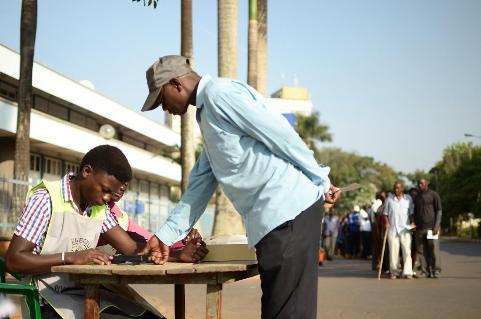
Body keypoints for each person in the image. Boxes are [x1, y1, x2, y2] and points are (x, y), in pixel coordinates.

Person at [139, 55, 341, 318]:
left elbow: (280, 134)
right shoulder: (206, 114)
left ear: (175, 83)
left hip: (289, 213)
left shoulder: (220, 94)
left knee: (288, 312)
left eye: (161, 99)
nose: (163, 108)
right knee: (280, 310)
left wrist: (320, 178)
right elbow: (199, 187)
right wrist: (165, 235)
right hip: (274, 222)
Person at [5, 145, 207, 318]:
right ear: (87, 171)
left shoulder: (97, 208)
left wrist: (178, 255)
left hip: (86, 292)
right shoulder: (45, 199)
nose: (108, 198)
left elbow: (130, 248)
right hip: (47, 301)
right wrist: (70, 257)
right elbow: (15, 260)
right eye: (105, 189)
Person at [382, 181, 415, 279]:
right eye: (395, 188)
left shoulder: (408, 199)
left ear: (402, 189)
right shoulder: (389, 200)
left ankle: (407, 272)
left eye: (398, 188)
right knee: (393, 252)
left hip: (405, 229)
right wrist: (386, 223)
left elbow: (411, 213)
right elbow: (385, 214)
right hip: (392, 229)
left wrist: (413, 222)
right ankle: (394, 272)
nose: (396, 190)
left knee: (407, 251)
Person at [414, 177, 442, 278]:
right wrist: (414, 224)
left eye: (421, 183)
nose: (419, 185)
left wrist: (437, 225)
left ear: (427, 183)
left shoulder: (434, 195)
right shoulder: (417, 197)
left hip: (432, 229)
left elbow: (439, 211)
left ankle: (436, 270)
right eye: (418, 184)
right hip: (420, 229)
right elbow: (415, 212)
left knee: (433, 250)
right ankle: (424, 271)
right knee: (421, 251)